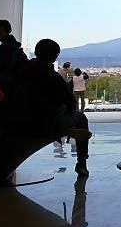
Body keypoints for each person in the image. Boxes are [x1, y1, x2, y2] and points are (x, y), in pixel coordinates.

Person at [8, 38, 91, 176]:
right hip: (45, 123)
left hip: (18, 121)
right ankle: (81, 162)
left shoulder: (20, 72)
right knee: (81, 118)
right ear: (54, 57)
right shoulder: (53, 76)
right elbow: (71, 103)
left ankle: (65, 130)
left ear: (36, 52)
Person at [0, 19, 27, 103]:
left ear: (2, 29)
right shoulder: (12, 44)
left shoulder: (7, 46)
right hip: (9, 85)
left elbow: (2, 66)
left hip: (4, 86)